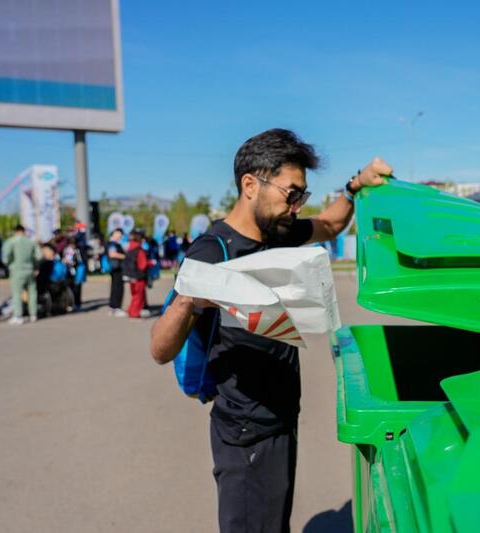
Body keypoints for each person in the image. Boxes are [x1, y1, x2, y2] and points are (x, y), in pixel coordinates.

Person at [150, 128, 391, 533]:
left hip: (280, 416)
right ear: (250, 185)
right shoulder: (212, 252)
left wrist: (354, 187)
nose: (296, 206)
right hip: (246, 432)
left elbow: (330, 227)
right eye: (291, 193)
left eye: (302, 196)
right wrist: (190, 299)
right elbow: (159, 348)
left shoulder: (276, 231)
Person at [2, 224, 41, 325]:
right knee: (32, 292)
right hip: (30, 270)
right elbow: (39, 256)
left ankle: (18, 315)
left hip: (16, 270)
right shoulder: (31, 242)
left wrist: (9, 264)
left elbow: (6, 257)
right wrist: (35, 266)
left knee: (17, 293)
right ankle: (33, 314)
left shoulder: (11, 241)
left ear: (16, 231)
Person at [124, 230, 150, 319]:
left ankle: (131, 310)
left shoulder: (130, 248)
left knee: (134, 295)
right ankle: (134, 313)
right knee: (139, 296)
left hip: (131, 275)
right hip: (138, 276)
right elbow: (143, 264)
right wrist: (151, 263)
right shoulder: (139, 250)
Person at [106, 229, 127, 317]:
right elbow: (112, 254)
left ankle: (113, 307)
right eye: (120, 234)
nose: (121, 236)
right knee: (118, 287)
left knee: (115, 287)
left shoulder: (112, 243)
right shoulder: (113, 243)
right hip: (116, 268)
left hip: (115, 268)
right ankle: (116, 307)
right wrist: (125, 256)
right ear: (114, 233)